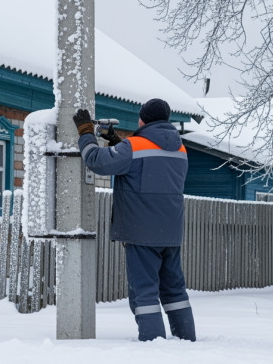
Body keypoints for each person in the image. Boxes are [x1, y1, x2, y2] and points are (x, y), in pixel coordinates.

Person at [73, 98, 196, 342]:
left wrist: (85, 132)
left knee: (145, 293)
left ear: (143, 119)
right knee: (174, 290)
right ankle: (186, 340)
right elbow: (146, 168)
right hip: (170, 233)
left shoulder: (135, 146)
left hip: (142, 232)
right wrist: (116, 140)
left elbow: (96, 161)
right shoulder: (179, 149)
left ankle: (153, 345)